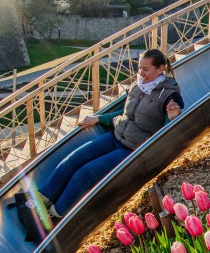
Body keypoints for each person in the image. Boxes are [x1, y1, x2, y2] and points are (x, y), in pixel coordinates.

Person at [35, 49, 183, 218]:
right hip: (116, 136)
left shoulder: (170, 96)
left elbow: (168, 134)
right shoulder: (137, 85)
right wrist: (99, 119)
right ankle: (42, 198)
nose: (141, 73)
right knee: (74, 158)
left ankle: (55, 214)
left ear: (160, 69)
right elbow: (125, 113)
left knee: (86, 173)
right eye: (139, 67)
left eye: (146, 69)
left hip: (133, 149)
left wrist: (172, 118)